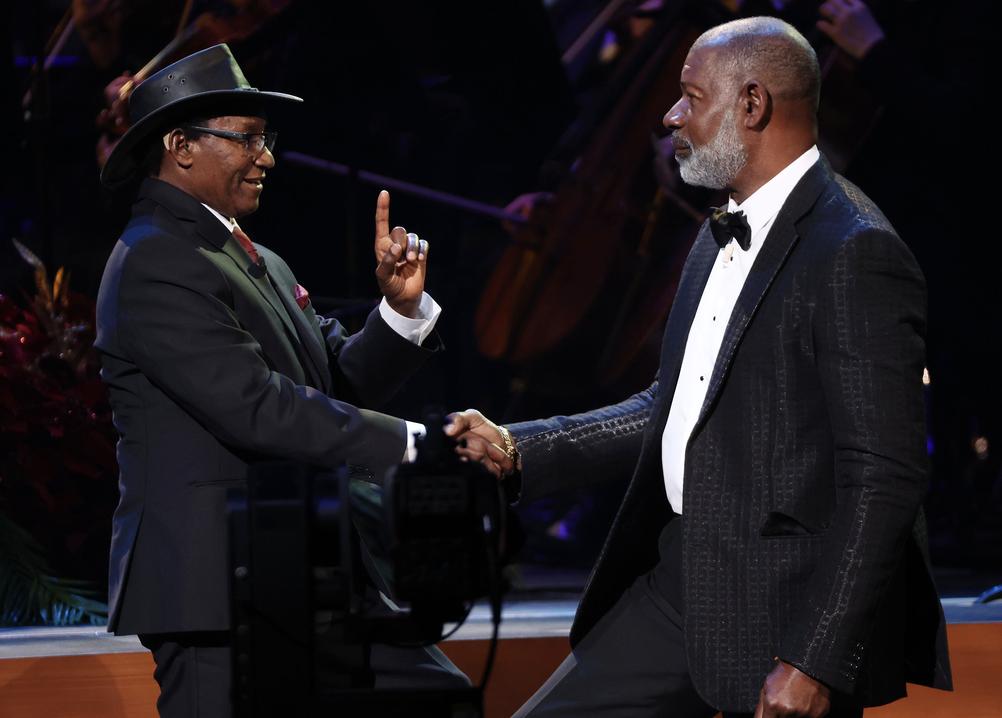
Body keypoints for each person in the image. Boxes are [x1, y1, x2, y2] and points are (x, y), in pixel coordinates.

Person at [447, 16, 951, 718]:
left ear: (751, 104)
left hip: (788, 610)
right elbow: (674, 402)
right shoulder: (717, 232)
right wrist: (521, 445)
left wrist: (816, 657)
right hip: (683, 579)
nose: (669, 114)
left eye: (689, 96)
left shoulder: (855, 252)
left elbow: (885, 476)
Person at [94, 44, 466, 716]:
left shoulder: (250, 252)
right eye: (247, 139)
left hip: (300, 568)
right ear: (179, 146)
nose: (266, 157)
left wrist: (401, 312)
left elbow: (331, 384)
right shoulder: (154, 259)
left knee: (436, 697)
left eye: (267, 138)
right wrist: (419, 447)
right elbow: (258, 408)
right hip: (213, 585)